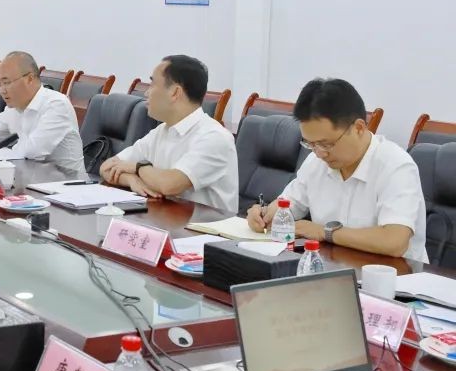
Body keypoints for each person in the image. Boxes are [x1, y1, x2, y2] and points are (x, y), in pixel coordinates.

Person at [246, 78, 427, 262]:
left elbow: (394, 242)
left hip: (394, 275)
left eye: (326, 144)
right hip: (331, 268)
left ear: (358, 128)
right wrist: (264, 214)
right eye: (310, 144)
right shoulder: (315, 162)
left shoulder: (396, 166)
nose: (319, 153)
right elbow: (286, 206)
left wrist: (324, 232)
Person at [100, 56, 237, 212]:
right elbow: (107, 167)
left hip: (207, 226)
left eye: (152, 84)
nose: (146, 93)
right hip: (165, 220)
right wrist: (132, 180)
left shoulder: (214, 137)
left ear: (174, 92)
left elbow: (169, 185)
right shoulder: (162, 130)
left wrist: (138, 168)